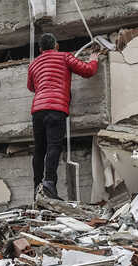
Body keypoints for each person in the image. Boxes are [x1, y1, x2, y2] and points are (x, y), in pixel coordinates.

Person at [26, 33, 98, 199]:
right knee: (54, 146)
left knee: (39, 149)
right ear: (56, 46)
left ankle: (37, 188)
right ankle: (49, 183)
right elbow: (88, 71)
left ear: (40, 49)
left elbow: (31, 87)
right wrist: (94, 58)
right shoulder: (64, 57)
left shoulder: (34, 64)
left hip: (37, 110)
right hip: (56, 108)